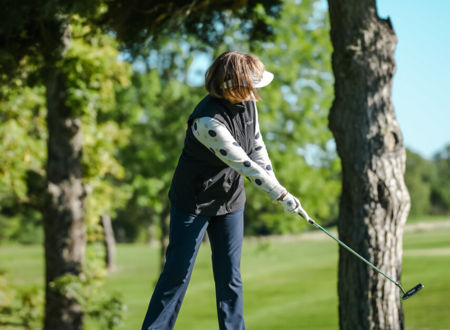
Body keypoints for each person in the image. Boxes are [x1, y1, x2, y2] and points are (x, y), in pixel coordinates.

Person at [141, 51, 306, 330]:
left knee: (230, 276)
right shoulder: (207, 121)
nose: (255, 90)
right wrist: (280, 195)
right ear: (233, 83)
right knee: (178, 273)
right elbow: (244, 163)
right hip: (193, 202)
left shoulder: (248, 103)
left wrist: (279, 186)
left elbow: (257, 148)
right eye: (251, 84)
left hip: (230, 201)